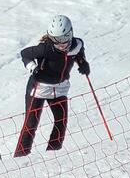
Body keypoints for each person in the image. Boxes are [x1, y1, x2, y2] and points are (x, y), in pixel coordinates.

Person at [14, 14, 90, 157]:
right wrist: (32, 67)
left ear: (71, 34)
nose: (60, 43)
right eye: (55, 39)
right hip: (39, 88)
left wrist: (83, 63)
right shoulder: (45, 48)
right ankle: (20, 157)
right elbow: (25, 54)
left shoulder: (77, 44)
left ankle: (52, 156)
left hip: (60, 88)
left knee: (61, 122)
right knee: (31, 125)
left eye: (63, 38)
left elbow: (79, 53)